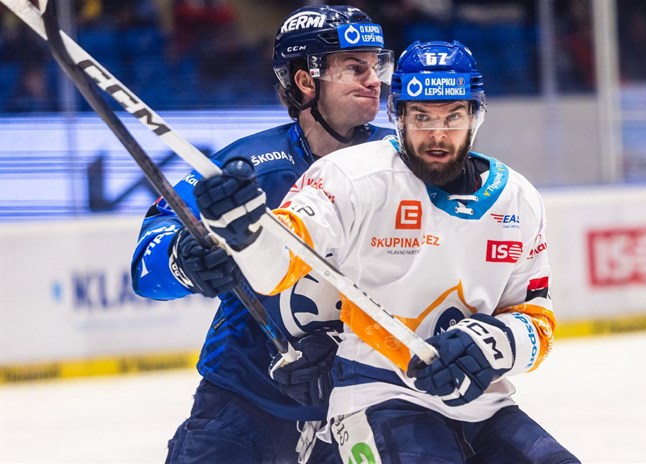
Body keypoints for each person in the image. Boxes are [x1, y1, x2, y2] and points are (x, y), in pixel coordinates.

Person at [198, 40, 581, 463]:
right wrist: (247, 233)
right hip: (375, 396)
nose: (437, 135)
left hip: (483, 403)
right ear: (397, 115)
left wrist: (488, 346)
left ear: (476, 115)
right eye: (421, 117)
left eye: (453, 116)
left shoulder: (518, 198)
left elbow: (536, 320)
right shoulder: (350, 177)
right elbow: (277, 267)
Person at [130, 5, 395, 463]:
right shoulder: (248, 164)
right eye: (356, 68)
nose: (374, 81)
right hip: (244, 402)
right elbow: (146, 268)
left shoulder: (402, 163)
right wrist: (185, 259)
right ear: (305, 81)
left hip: (367, 404)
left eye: (377, 66)